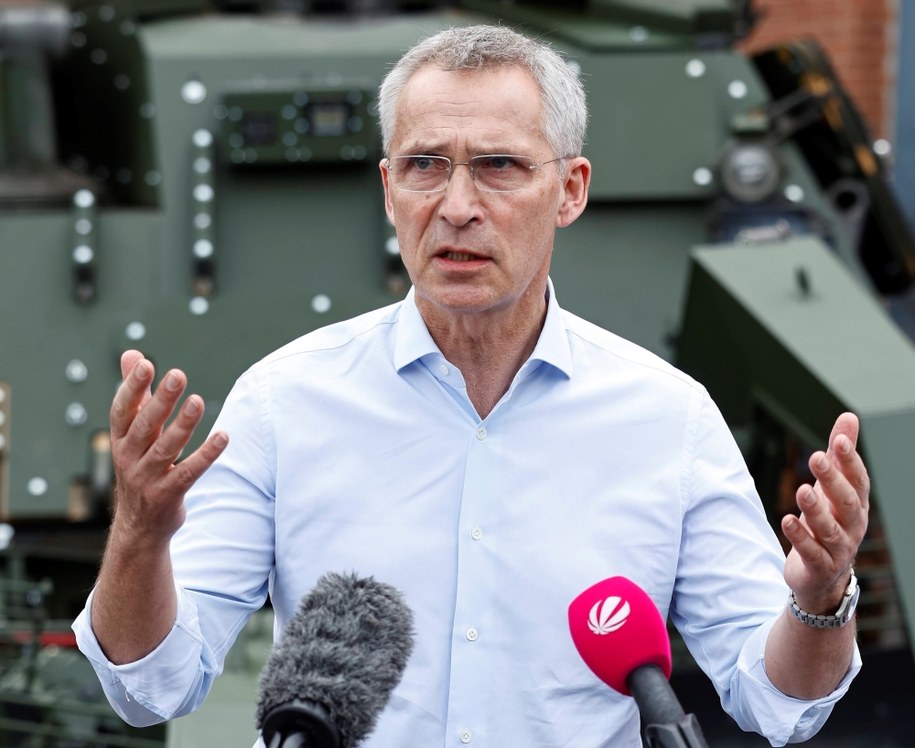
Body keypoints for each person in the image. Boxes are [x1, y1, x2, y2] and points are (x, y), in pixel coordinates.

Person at [73, 24, 869, 747]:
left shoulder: (668, 419)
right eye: (425, 166)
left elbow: (777, 704)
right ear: (388, 189)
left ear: (570, 189)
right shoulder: (284, 403)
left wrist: (820, 596)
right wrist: (138, 537)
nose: (456, 207)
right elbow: (153, 686)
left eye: (498, 167)